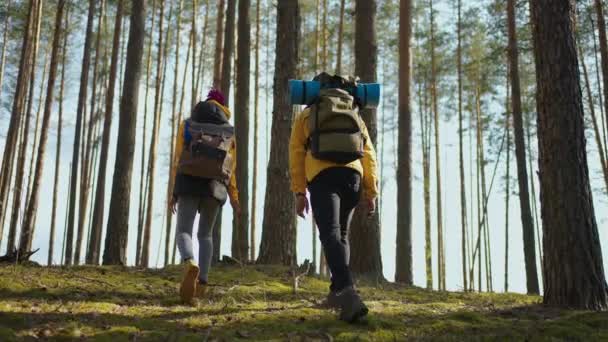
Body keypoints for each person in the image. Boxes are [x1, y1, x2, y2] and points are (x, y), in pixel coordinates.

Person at [289, 74, 379, 323]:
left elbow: (296, 154)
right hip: (353, 178)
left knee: (330, 232)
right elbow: (369, 155)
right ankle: (335, 294)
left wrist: (299, 192)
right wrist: (371, 193)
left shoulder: (307, 115)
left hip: (322, 175)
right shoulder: (355, 113)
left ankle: (348, 292)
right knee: (340, 236)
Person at [169, 89, 240, 305]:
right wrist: (234, 197)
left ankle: (189, 261)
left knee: (183, 230)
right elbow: (231, 167)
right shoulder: (228, 131)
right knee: (206, 236)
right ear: (223, 107)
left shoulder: (189, 123)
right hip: (215, 187)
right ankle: (202, 284)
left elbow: (179, 157)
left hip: (189, 181)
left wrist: (174, 191)